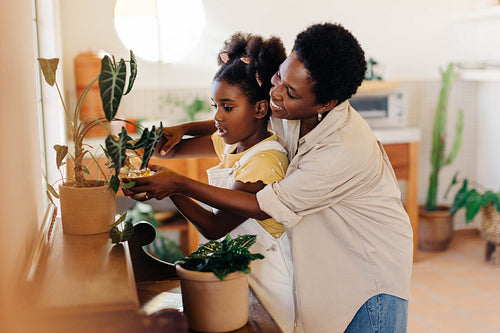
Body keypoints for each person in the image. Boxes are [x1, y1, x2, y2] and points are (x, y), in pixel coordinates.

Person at [125, 23, 413, 332]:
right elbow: (245, 118)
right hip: (326, 264)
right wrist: (183, 129)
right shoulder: (293, 110)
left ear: (326, 104)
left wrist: (178, 184)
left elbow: (262, 205)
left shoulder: (341, 150)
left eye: (290, 92)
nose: (275, 94)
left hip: (368, 277)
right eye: (279, 77)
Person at [125, 33, 295, 332]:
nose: (216, 117)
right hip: (237, 277)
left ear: (260, 109)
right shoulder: (231, 144)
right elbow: (173, 149)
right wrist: (135, 148)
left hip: (268, 284)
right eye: (214, 105)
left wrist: (172, 188)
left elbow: (215, 227)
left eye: (227, 107)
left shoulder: (265, 160)